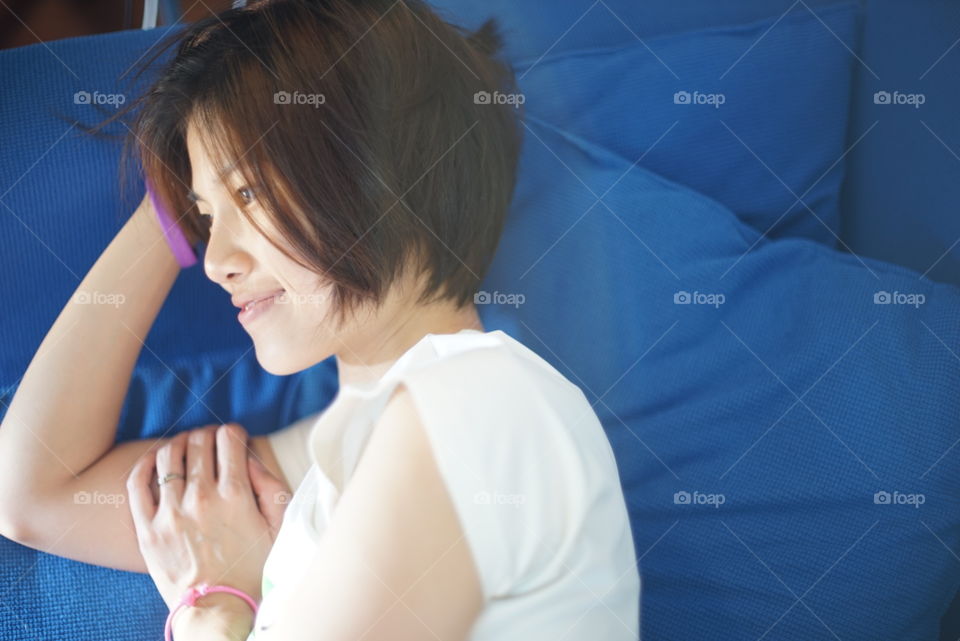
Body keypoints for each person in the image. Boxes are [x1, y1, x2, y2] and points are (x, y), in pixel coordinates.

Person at [0, 1, 640, 639]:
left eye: (249, 193)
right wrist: (166, 208)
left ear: (384, 173)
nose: (216, 261)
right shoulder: (336, 453)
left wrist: (214, 609)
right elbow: (37, 492)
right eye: (206, 217)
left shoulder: (477, 404)